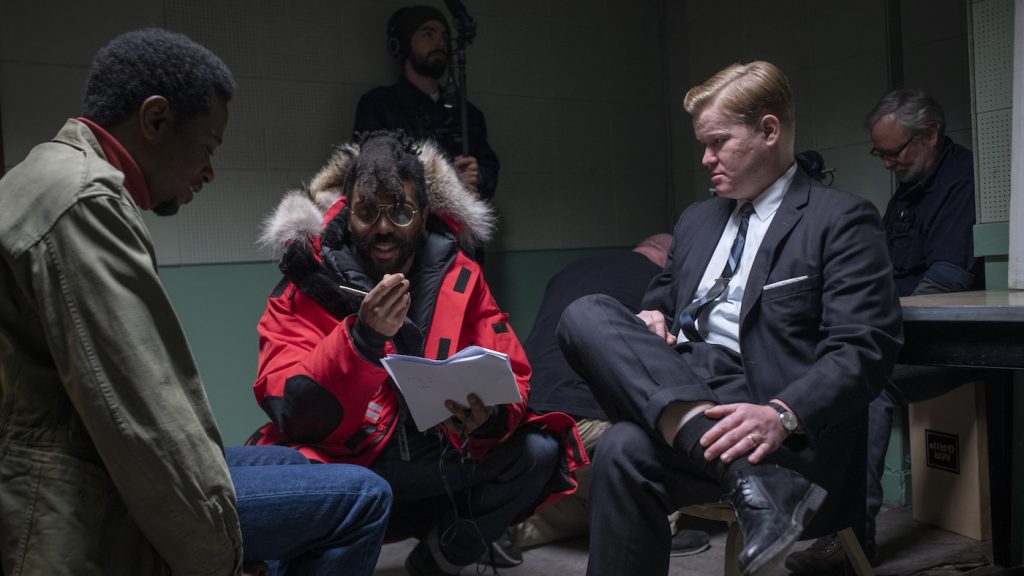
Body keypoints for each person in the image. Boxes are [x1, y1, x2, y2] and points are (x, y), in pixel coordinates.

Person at [0, 28, 391, 576]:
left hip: (74, 449)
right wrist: (219, 555)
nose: (209, 171)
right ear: (156, 120)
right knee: (363, 496)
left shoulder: (56, 172)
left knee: (286, 460)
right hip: (78, 481)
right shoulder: (84, 204)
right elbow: (140, 421)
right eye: (208, 148)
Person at [556, 61, 903, 576]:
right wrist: (652, 318)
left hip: (776, 425)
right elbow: (664, 304)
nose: (706, 158)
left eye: (718, 142)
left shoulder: (841, 220)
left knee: (625, 446)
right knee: (584, 314)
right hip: (691, 390)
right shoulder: (696, 220)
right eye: (703, 144)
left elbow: (864, 349)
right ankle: (749, 481)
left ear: (769, 130)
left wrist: (783, 413)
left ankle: (761, 476)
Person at [246, 130, 585, 576]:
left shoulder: (460, 273)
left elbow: (513, 372)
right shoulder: (307, 279)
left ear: (424, 215)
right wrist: (361, 339)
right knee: (291, 488)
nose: (384, 228)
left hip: (441, 458)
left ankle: (439, 559)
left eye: (402, 212)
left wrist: (490, 417)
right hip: (350, 461)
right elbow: (290, 406)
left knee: (540, 450)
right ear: (348, 212)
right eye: (368, 212)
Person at [786, 89, 983, 574]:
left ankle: (852, 541)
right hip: (901, 332)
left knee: (863, 386)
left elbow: (946, 282)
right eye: (882, 153)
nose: (889, 162)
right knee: (820, 369)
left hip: (950, 343)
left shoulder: (963, 180)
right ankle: (806, 517)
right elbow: (881, 271)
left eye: (896, 151)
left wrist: (868, 313)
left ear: (930, 135)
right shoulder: (908, 190)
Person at [496, 235, 710, 560]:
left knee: (581, 495)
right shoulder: (661, 287)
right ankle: (662, 527)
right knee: (659, 429)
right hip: (589, 419)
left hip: (526, 410)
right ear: (668, 260)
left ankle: (502, 529)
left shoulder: (574, 269)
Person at [353, 5, 499, 200]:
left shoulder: (468, 114)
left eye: (444, 37)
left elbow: (489, 168)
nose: (439, 43)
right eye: (428, 34)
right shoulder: (378, 105)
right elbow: (372, 173)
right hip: (403, 225)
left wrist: (477, 175)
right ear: (403, 44)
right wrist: (448, 180)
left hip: (460, 225)